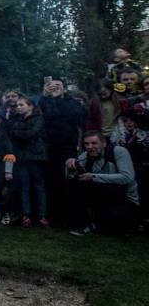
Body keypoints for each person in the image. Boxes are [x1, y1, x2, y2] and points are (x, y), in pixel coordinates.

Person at [67, 131, 139, 236]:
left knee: (114, 227)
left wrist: (94, 176)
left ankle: (99, 223)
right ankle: (85, 223)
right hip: (104, 196)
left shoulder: (119, 151)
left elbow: (127, 177)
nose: (90, 147)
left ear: (104, 143)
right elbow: (72, 172)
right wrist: (70, 162)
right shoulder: (86, 155)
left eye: (94, 143)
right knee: (74, 183)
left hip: (125, 199)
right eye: (86, 144)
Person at [39, 79, 86, 226]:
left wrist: (55, 99)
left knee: (67, 181)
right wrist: (46, 97)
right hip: (49, 148)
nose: (55, 88)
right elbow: (44, 114)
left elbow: (71, 115)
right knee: (51, 181)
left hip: (67, 148)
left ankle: (70, 217)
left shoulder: (72, 103)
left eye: (58, 86)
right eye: (52, 86)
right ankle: (54, 216)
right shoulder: (45, 101)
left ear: (65, 89)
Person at [9, 97, 49, 228]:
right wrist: (22, 133)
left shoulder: (39, 119)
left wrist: (20, 133)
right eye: (18, 105)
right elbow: (13, 133)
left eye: (21, 105)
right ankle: (27, 215)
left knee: (38, 185)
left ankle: (42, 215)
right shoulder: (17, 119)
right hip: (22, 157)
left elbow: (31, 134)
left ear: (30, 106)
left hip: (36, 156)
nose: (18, 107)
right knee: (25, 186)